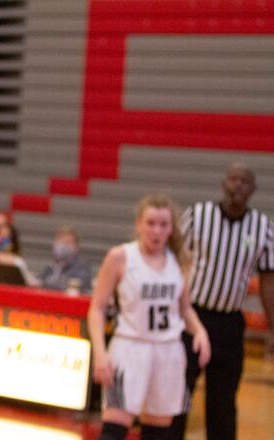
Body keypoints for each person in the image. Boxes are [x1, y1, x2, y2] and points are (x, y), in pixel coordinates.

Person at [87, 194, 211, 440]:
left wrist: (200, 331)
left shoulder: (180, 261)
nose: (157, 230)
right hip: (130, 348)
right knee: (114, 429)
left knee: (158, 432)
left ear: (171, 228)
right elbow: (97, 308)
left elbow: (184, 307)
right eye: (151, 223)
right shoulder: (120, 257)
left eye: (163, 224)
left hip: (168, 353)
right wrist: (100, 354)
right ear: (138, 225)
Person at [168, 162, 274, 440]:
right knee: (179, 392)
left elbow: (268, 282)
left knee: (223, 400)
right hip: (192, 316)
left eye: (245, 181)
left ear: (253, 189)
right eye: (233, 179)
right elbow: (173, 262)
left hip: (229, 323)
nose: (238, 185)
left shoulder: (263, 228)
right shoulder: (197, 215)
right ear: (224, 183)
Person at [39, 226, 93, 294]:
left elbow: (75, 287)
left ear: (76, 247)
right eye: (61, 241)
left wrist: (47, 285)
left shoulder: (82, 267)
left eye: (68, 242)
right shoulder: (51, 266)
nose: (63, 245)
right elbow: (39, 282)